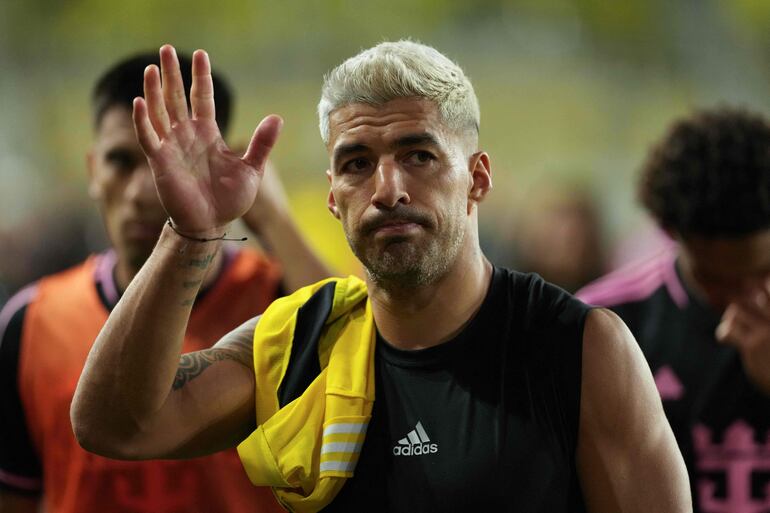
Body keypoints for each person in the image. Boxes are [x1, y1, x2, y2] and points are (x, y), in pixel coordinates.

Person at [70, 42, 691, 513]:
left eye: (418, 156)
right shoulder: (298, 342)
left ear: (477, 177)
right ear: (335, 199)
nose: (387, 189)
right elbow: (114, 425)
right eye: (357, 164)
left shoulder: (578, 348)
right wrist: (191, 232)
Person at [0, 50, 329, 513]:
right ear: (93, 170)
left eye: (168, 161)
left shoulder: (278, 301)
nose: (139, 192)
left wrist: (272, 217)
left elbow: (357, 343)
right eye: (120, 161)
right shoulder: (29, 323)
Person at [577, 107, 770, 512]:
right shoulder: (601, 323)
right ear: (671, 235)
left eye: (762, 272)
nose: (745, 296)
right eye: (717, 280)